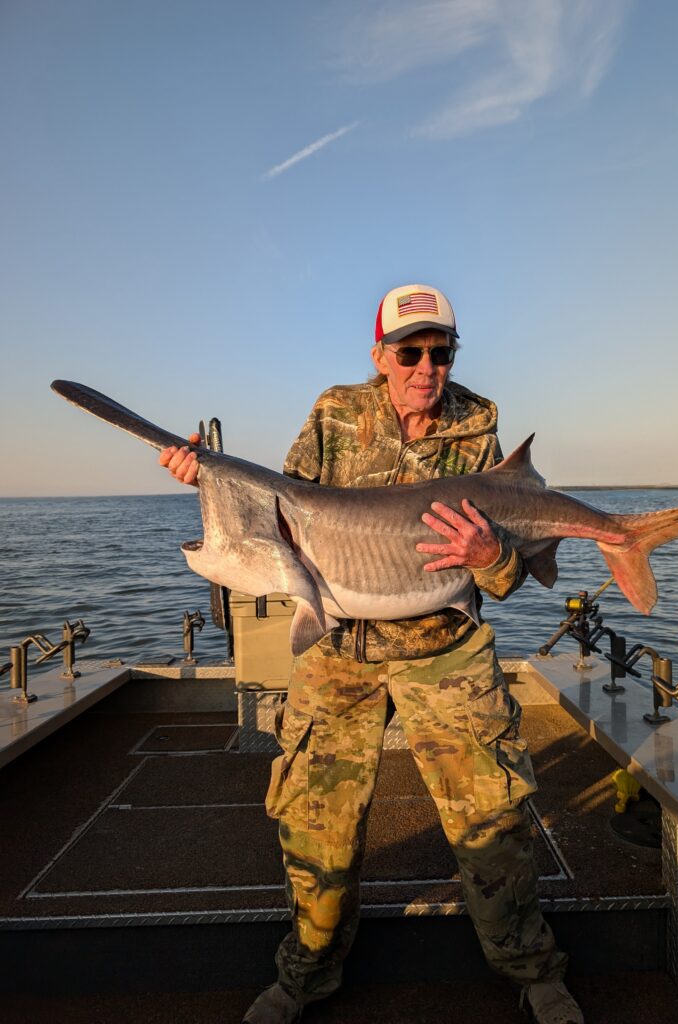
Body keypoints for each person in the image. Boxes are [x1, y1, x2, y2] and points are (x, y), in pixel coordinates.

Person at [160, 284, 583, 1024]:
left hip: (444, 648)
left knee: (493, 819)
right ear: (379, 355)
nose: (426, 367)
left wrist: (489, 557)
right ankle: (305, 975)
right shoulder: (333, 413)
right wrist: (211, 477)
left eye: (440, 351)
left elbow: (508, 581)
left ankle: (531, 967)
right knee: (313, 820)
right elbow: (279, 506)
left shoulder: (477, 432)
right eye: (409, 350)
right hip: (340, 649)